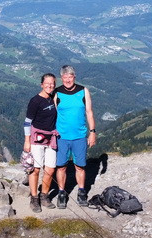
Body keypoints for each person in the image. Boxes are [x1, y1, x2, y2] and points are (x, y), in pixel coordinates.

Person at [54, 65, 97, 208]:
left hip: (79, 136)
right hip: (61, 137)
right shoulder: (57, 93)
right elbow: (52, 115)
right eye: (65, 77)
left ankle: (81, 192)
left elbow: (89, 112)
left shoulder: (83, 91)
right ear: (61, 78)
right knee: (61, 167)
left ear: (74, 77)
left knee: (80, 166)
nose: (67, 80)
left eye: (70, 76)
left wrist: (92, 132)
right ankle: (61, 193)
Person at [23, 73, 58, 212]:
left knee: (50, 169)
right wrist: (27, 141)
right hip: (37, 138)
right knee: (35, 169)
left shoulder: (53, 98)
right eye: (47, 83)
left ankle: (44, 195)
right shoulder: (35, 101)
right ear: (41, 84)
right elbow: (27, 122)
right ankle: (34, 198)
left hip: (51, 138)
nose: (50, 86)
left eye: (52, 84)